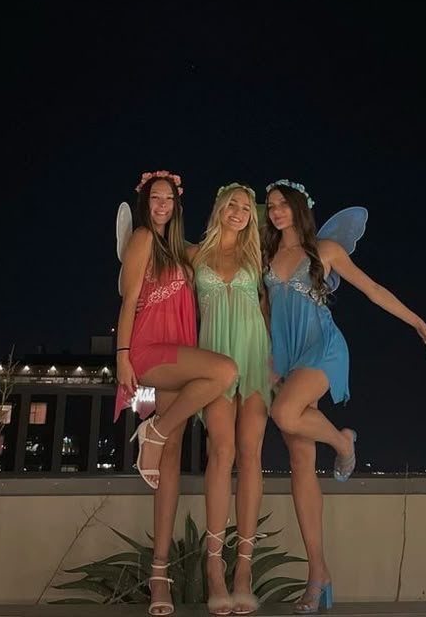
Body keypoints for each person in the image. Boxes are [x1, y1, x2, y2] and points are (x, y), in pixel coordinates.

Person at [262, 179, 426, 614]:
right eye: (269, 206)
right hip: (284, 358)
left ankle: (343, 441)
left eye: (283, 204)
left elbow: (373, 290)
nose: (276, 211)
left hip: (322, 350)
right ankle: (317, 575)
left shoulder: (324, 250)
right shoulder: (266, 257)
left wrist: (418, 322)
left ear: (300, 208)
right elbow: (266, 310)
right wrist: (269, 362)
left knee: (285, 413)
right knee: (300, 464)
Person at [115, 170, 238, 617]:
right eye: (156, 198)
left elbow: (217, 254)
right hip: (149, 350)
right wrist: (123, 355)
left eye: (169, 199)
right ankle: (156, 431)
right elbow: (128, 301)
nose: (163, 204)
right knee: (223, 372)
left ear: (177, 204)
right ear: (146, 202)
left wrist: (240, 218)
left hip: (178, 350)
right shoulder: (144, 238)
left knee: (170, 462)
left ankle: (159, 575)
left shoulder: (181, 251)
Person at [188, 183, 272, 616]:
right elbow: (153, 250)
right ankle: (215, 568)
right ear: (219, 208)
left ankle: (244, 569)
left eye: (245, 208)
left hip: (255, 358)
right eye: (232, 204)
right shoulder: (194, 255)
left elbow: (269, 307)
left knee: (251, 454)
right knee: (219, 452)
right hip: (215, 358)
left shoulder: (257, 258)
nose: (239, 211)